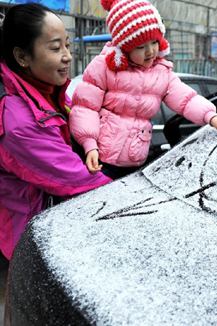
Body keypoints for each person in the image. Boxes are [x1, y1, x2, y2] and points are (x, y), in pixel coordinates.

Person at [70, 0, 217, 179]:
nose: (150, 51)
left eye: (154, 43)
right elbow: (85, 107)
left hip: (136, 160)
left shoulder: (162, 72)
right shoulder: (105, 66)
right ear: (124, 47)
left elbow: (186, 99)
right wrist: (89, 145)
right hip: (101, 159)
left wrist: (211, 116)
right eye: (140, 47)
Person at [0, 3, 111, 260]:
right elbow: (79, 180)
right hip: (34, 243)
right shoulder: (20, 122)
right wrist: (130, 193)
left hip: (55, 225)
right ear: (22, 57)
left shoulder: (45, 92)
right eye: (55, 47)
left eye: (68, 45)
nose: (67, 56)